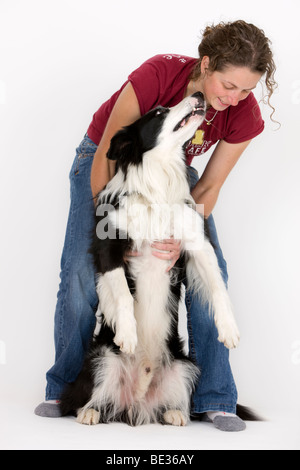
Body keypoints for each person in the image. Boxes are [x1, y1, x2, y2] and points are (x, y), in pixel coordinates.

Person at [35, 20, 277, 432]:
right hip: (110, 162)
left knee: (210, 265)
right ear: (206, 64)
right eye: (227, 85)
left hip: (168, 172)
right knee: (81, 270)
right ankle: (66, 387)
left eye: (246, 91)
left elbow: (210, 184)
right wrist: (113, 233)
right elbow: (107, 156)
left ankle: (215, 397)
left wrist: (179, 240)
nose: (234, 99)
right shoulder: (159, 74)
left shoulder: (243, 115)